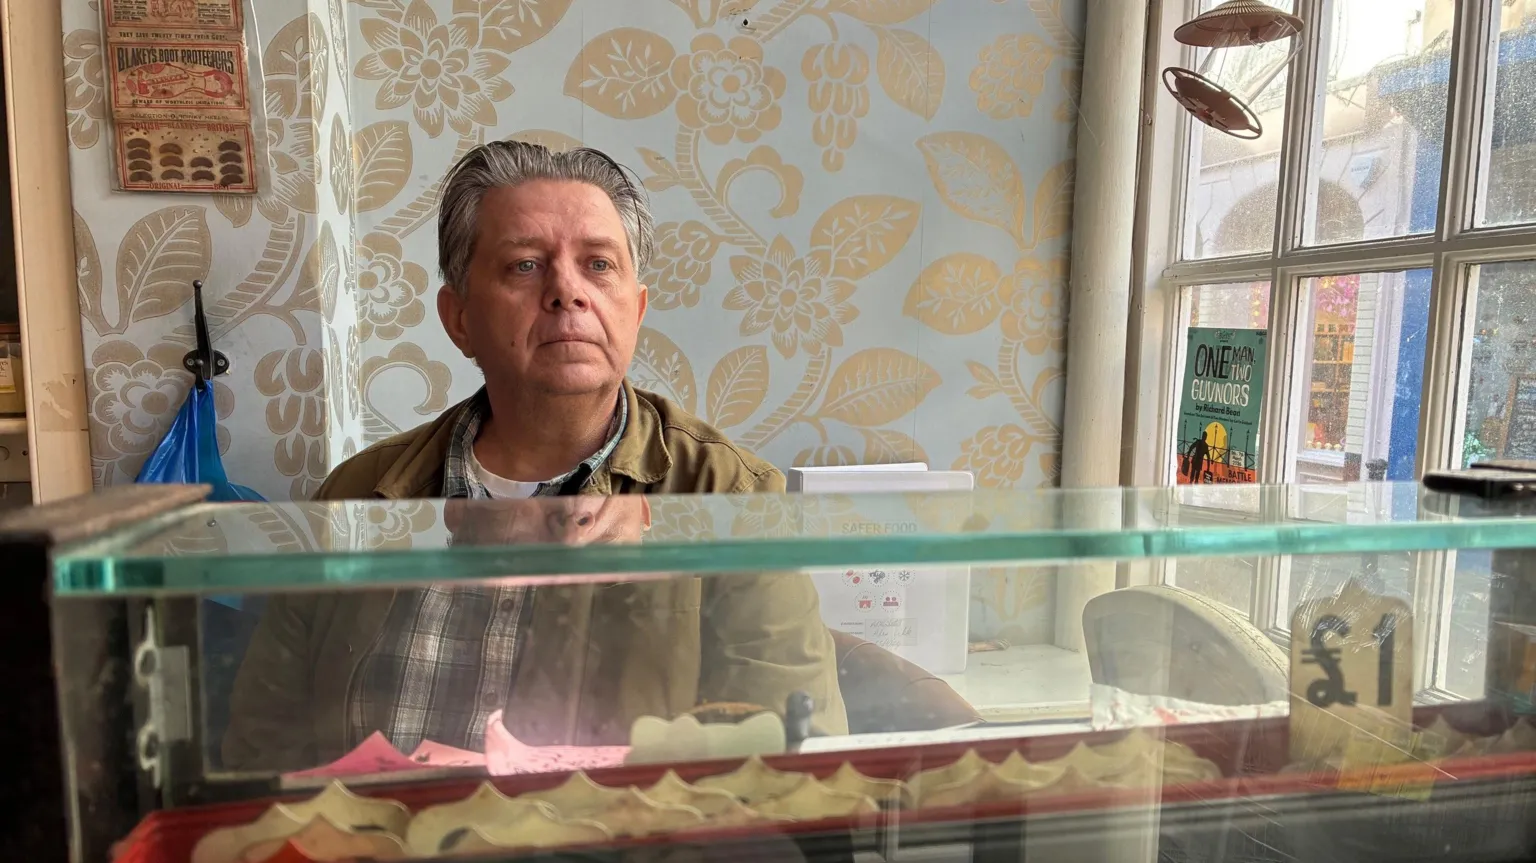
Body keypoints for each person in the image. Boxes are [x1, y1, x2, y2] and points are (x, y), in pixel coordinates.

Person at [223, 142, 847, 770]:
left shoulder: (729, 497)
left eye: (599, 265)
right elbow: (261, 754)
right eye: (524, 266)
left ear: (636, 308)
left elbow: (794, 769)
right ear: (458, 317)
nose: (566, 292)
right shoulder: (361, 495)